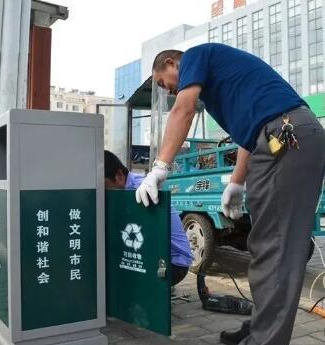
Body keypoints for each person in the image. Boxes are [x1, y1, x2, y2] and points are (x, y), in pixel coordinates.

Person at [136, 43, 325, 345]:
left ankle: (266, 339)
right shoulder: (221, 90)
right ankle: (261, 328)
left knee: (277, 247)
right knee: (264, 245)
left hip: (287, 137)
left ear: (172, 63)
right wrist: (236, 184)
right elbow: (248, 136)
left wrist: (160, 167)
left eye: (163, 82)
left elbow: (182, 110)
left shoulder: (197, 56)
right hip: (277, 138)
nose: (169, 90)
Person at [104, 150, 193, 286]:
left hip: (173, 264)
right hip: (160, 256)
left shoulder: (139, 191)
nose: (103, 194)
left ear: (119, 176)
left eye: (104, 187)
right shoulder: (129, 188)